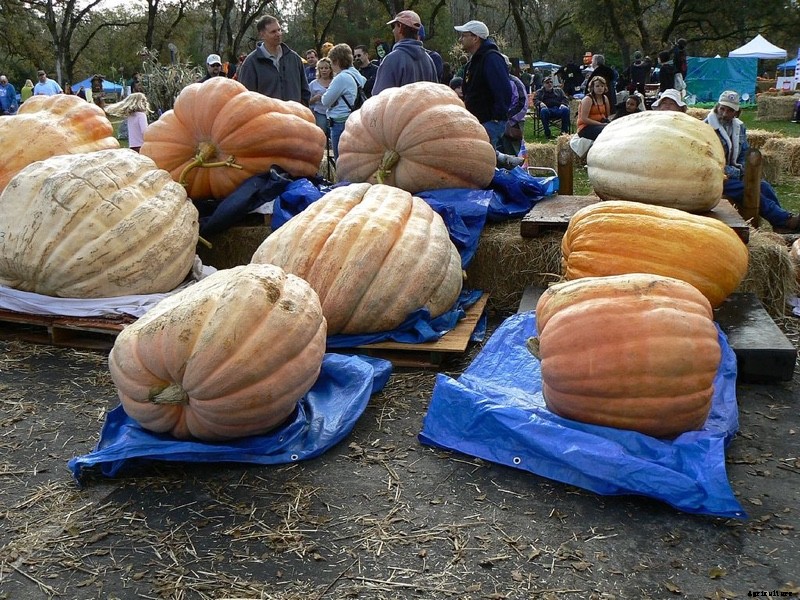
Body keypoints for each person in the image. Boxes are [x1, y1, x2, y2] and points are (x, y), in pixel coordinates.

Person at [705, 90, 800, 233]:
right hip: (713, 176)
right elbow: (708, 160)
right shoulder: (706, 128)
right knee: (746, 189)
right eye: (722, 109)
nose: (724, 113)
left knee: (763, 186)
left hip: (735, 173)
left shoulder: (739, 127)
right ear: (716, 107)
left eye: (729, 110)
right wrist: (735, 172)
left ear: (736, 112)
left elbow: (744, 152)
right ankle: (785, 219)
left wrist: (744, 170)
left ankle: (780, 223)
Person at [454, 20, 512, 150]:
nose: (460, 39)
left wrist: (496, 118)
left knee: (483, 162)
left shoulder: (491, 58)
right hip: (478, 121)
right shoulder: (474, 61)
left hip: (489, 122)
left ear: (475, 38)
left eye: (464, 35)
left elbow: (503, 90)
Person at [238, 15, 310, 105]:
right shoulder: (251, 63)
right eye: (273, 32)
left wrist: (302, 111)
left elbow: (305, 91)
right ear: (262, 35)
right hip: (266, 117)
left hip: (294, 116)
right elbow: (246, 98)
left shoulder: (294, 58)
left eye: (279, 30)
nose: (278, 34)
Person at [371, 11, 438, 95]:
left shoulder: (392, 60)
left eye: (394, 26)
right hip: (425, 108)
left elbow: (378, 98)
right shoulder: (429, 60)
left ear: (400, 27)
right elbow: (435, 96)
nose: (393, 31)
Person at [321, 43, 367, 160]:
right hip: (353, 120)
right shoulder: (356, 74)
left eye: (331, 63)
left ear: (337, 61)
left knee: (341, 160)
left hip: (339, 123)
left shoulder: (341, 78)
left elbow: (325, 101)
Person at [577, 76, 611, 141]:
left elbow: (607, 115)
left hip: (601, 123)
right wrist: (600, 124)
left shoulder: (605, 98)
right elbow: (584, 119)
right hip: (585, 127)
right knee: (605, 131)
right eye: (597, 86)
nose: (600, 88)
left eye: (602, 86)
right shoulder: (588, 99)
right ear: (593, 87)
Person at [308, 57, 333, 135]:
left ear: (330, 69)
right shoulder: (313, 84)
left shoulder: (335, 82)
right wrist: (315, 99)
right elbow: (307, 101)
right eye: (321, 68)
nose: (324, 70)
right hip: (319, 113)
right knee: (321, 134)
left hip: (334, 113)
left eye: (326, 68)